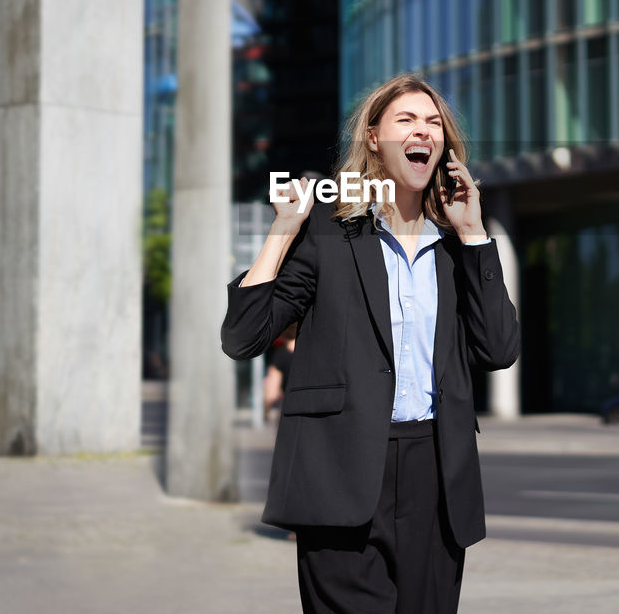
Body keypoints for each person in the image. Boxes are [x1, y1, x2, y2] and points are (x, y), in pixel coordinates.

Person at [222, 73, 519, 614]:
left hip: (437, 476)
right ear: (374, 138)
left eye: (433, 123)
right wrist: (284, 230)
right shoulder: (327, 237)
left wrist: (475, 234)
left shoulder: (457, 248)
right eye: (406, 120)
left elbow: (499, 349)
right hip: (339, 472)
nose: (423, 131)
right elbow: (243, 337)